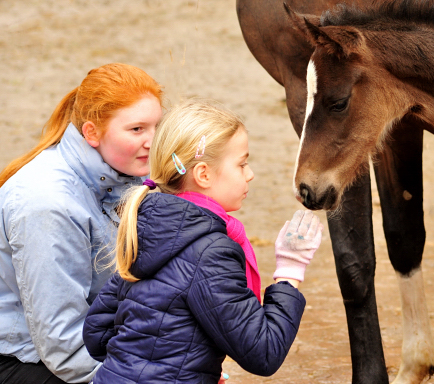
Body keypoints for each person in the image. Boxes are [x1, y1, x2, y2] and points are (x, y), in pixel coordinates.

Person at [82, 100, 323, 384]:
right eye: (242, 163)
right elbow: (263, 352)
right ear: (204, 174)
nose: (250, 174)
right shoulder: (211, 252)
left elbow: (97, 334)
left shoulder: (147, 228)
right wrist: (290, 270)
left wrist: (190, 362)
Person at [0, 63, 164, 383]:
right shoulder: (48, 205)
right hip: (26, 359)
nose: (153, 141)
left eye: (157, 127)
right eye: (137, 129)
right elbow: (63, 343)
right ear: (92, 132)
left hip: (91, 339)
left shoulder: (127, 173)